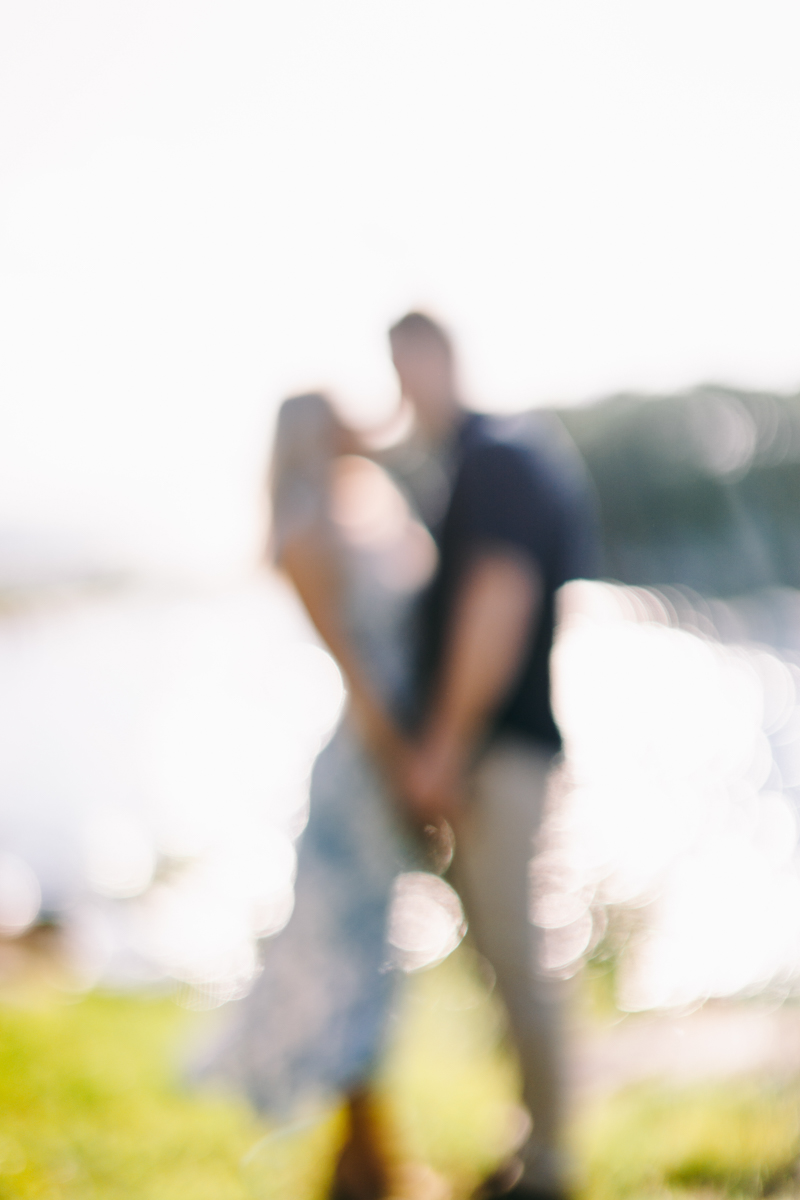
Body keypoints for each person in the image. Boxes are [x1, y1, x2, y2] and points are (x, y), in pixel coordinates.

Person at [378, 312, 601, 1200]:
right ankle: (536, 1142)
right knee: (506, 957)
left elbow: (498, 604)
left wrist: (441, 748)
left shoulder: (496, 457)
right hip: (497, 751)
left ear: (440, 359)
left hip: (498, 754)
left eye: (407, 368)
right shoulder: (489, 461)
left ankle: (549, 1166)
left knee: (518, 955)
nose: (402, 393)